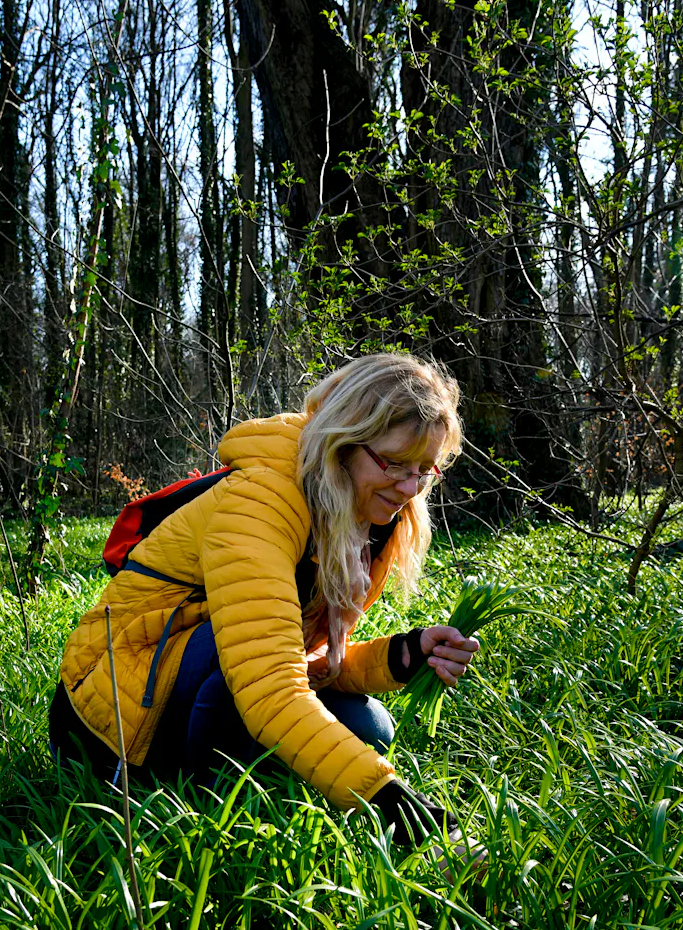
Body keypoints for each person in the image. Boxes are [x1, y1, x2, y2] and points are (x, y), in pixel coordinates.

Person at [48, 353, 478, 842]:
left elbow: (306, 655)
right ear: (343, 442)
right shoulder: (260, 503)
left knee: (370, 727)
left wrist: (405, 653)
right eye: (395, 463)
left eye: (425, 470)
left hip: (204, 682)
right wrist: (385, 796)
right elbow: (268, 680)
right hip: (107, 721)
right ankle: (198, 812)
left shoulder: (364, 517)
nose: (409, 488)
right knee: (241, 673)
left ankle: (233, 774)